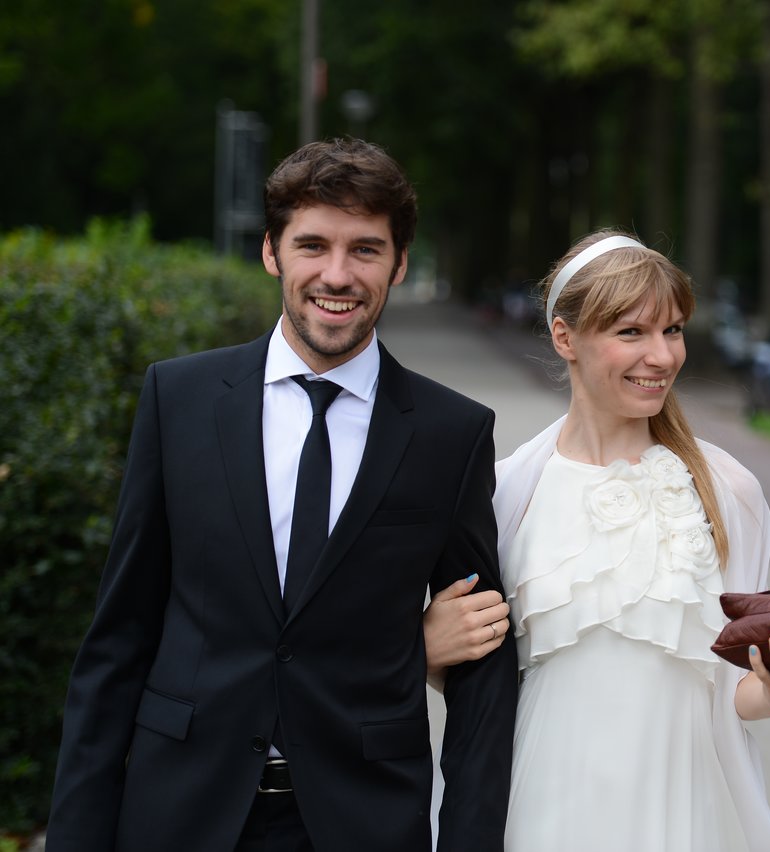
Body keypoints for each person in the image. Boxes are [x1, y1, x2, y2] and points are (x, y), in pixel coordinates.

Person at [45, 138, 516, 852]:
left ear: (400, 262)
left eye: (365, 249)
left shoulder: (452, 433)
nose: (337, 274)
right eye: (312, 245)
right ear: (271, 252)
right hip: (179, 813)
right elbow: (119, 640)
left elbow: (483, 667)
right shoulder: (179, 399)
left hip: (362, 822)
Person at [424, 229, 770, 851]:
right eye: (631, 332)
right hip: (537, 805)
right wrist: (427, 650)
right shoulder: (505, 493)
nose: (663, 356)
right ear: (566, 338)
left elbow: (734, 693)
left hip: (677, 807)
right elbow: (470, 677)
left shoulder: (728, 492)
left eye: (671, 330)